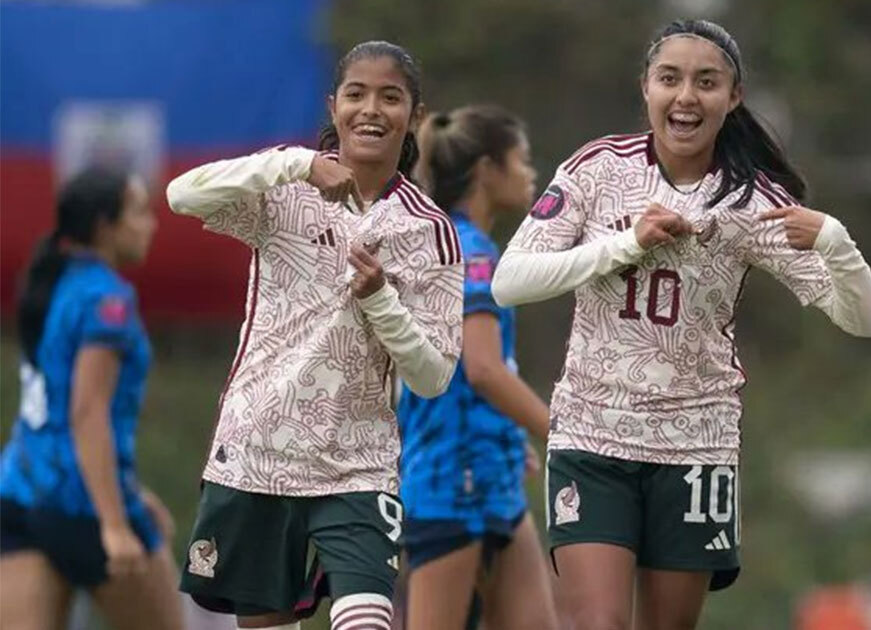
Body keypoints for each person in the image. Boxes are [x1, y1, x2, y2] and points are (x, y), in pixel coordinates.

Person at [491, 18, 871, 630]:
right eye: (669, 79)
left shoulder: (752, 201)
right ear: (645, 87)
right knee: (599, 624)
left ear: (733, 98)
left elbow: (861, 319)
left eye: (706, 82)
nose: (686, 97)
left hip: (694, 446)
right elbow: (510, 279)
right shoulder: (597, 168)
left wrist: (834, 238)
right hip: (593, 436)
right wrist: (625, 245)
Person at [167, 40, 464, 630]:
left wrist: (380, 299)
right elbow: (182, 195)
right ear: (334, 106)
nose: (371, 110)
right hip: (256, 452)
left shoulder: (430, 231)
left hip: (358, 465)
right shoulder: (284, 190)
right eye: (356, 94)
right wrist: (296, 163)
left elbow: (432, 378)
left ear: (415, 116)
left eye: (390, 97)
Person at [0, 167, 183, 630]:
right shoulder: (108, 300)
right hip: (82, 509)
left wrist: (134, 492)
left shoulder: (51, 280)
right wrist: (116, 521)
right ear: (105, 227)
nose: (152, 225)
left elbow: (56, 413)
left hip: (19, 496)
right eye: (140, 213)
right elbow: (86, 412)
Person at [395, 104, 557, 630]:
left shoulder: (463, 245)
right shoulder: (470, 253)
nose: (531, 173)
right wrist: (564, 436)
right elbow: (483, 370)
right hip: (451, 481)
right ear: (488, 170)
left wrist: (511, 434)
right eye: (521, 160)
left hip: (494, 475)